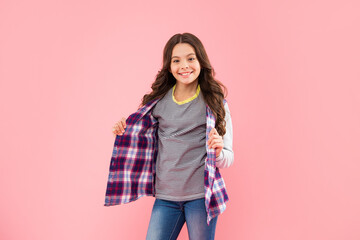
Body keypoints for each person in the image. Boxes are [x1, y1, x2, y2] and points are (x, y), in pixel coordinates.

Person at [105, 32, 234, 240]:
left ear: (201, 61)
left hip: (201, 197)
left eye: (191, 58)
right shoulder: (159, 102)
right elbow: (141, 137)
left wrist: (219, 152)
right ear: (169, 66)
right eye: (176, 60)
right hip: (166, 198)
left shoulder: (215, 103)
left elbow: (228, 157)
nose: (184, 66)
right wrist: (124, 130)